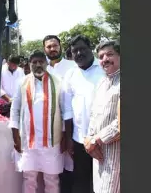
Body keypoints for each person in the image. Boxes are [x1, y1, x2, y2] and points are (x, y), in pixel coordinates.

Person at [9, 50, 70, 193]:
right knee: (29, 178)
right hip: (28, 141)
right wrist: (15, 135)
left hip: (52, 141)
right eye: (34, 62)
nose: (38, 65)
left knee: (52, 179)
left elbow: (65, 111)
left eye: (41, 62)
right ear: (29, 65)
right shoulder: (22, 82)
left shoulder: (58, 82)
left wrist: (65, 136)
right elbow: (15, 109)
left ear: (46, 63)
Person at [62, 35, 105, 193]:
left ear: (90, 48)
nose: (79, 53)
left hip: (103, 138)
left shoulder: (104, 69)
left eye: (82, 49)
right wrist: (68, 139)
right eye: (75, 51)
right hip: (80, 139)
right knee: (81, 181)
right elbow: (67, 109)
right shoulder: (70, 75)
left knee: (103, 181)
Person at [84, 41, 120, 193]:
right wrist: (89, 140)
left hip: (116, 155)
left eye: (110, 54)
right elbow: (94, 115)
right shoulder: (101, 83)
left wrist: (94, 140)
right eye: (101, 56)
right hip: (98, 154)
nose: (105, 59)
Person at [42, 35, 77, 192]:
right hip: (50, 127)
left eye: (55, 45)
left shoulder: (72, 66)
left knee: (71, 166)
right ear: (45, 49)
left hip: (71, 124)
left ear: (60, 46)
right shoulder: (42, 68)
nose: (52, 49)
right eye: (49, 47)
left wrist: (67, 133)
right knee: (54, 168)